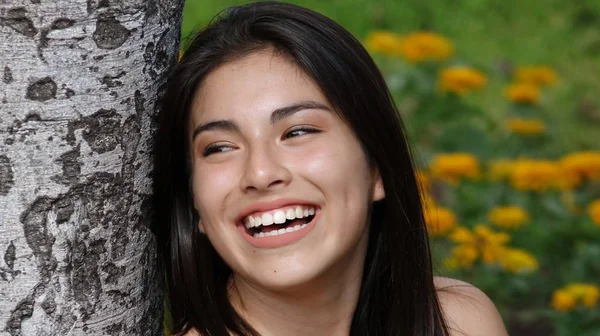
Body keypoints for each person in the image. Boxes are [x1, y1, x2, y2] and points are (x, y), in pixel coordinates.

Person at [153, 2, 508, 335]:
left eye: (298, 131)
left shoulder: (456, 322)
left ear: (377, 165)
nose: (260, 174)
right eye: (219, 148)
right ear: (195, 199)